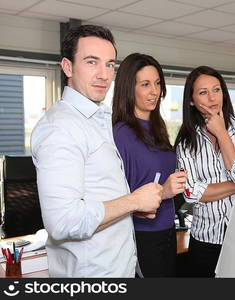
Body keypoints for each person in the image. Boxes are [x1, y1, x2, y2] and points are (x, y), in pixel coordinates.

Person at [31, 25, 162, 277]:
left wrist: (133, 207)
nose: (104, 74)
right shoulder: (61, 128)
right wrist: (134, 200)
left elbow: (99, 192)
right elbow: (63, 222)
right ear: (68, 67)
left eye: (110, 64)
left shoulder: (97, 118)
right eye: (92, 62)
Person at [112, 53, 187, 277]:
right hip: (141, 236)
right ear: (129, 88)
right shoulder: (121, 134)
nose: (155, 91)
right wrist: (163, 192)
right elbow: (115, 197)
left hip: (167, 229)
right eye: (145, 84)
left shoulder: (158, 126)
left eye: (157, 83)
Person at [174, 66, 235, 277]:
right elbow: (190, 194)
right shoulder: (186, 142)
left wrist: (221, 134)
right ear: (191, 100)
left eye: (216, 90)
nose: (212, 98)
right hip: (206, 240)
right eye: (203, 92)